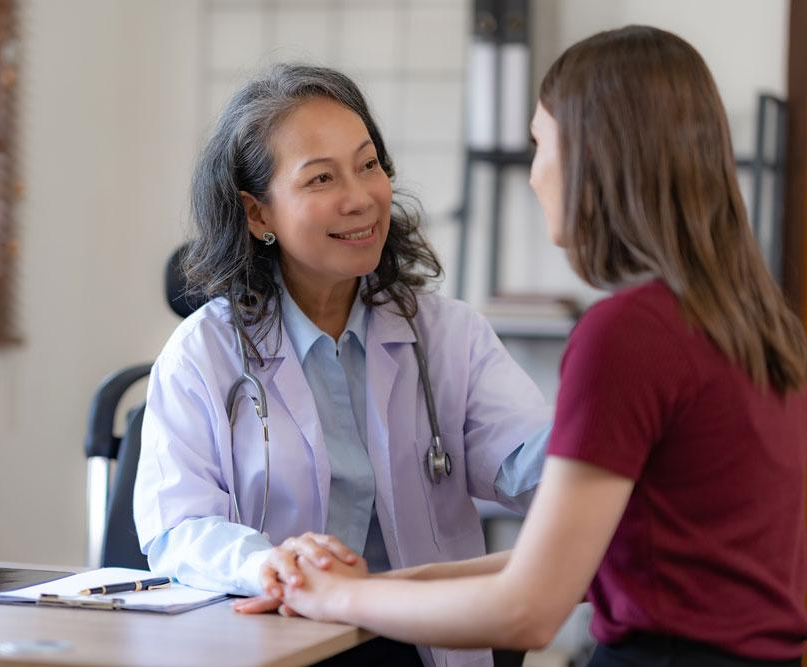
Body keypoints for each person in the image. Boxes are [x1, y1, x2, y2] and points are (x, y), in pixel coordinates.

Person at [275, 25, 807, 667]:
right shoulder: (756, 326)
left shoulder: (629, 335)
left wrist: (340, 598)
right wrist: (380, 585)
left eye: (540, 145)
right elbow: (577, 558)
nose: (533, 176)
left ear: (594, 158)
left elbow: (529, 608)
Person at [133, 64, 553, 666]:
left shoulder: (446, 335)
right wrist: (265, 563)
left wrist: (608, 443)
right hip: (278, 636)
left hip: (420, 641)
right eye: (322, 178)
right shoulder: (204, 354)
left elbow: (531, 464)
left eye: (368, 165)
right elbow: (177, 527)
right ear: (257, 214)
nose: (360, 199)